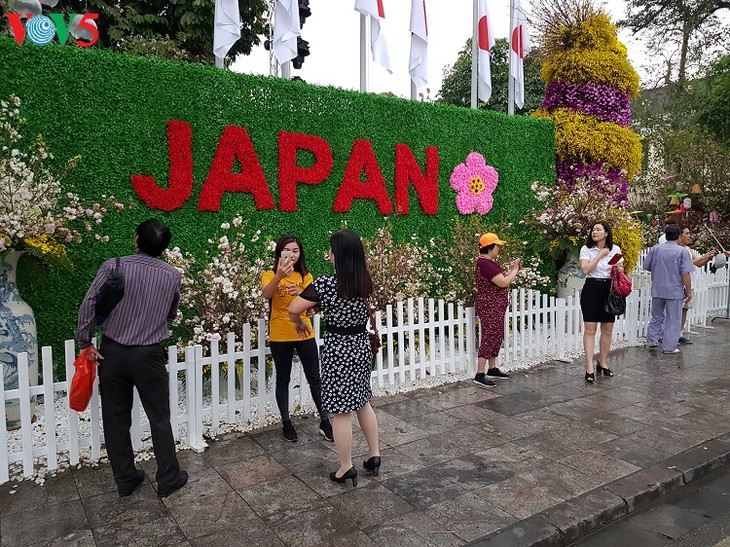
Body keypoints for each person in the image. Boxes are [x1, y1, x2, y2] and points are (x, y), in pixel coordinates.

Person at [75, 219, 187, 498]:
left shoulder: (114, 266)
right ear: (164, 248)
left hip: (112, 352)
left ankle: (126, 478)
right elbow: (171, 313)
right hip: (149, 355)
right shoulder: (172, 275)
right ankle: (168, 478)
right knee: (159, 417)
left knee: (115, 417)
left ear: (137, 239)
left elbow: (90, 301)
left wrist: (85, 341)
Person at [288, 230, 379, 487]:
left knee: (340, 412)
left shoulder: (325, 284)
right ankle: (374, 455)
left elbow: (294, 308)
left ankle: (345, 467)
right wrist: (320, 307)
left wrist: (299, 322)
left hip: (338, 348)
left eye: (331, 249)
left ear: (336, 254)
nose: (328, 253)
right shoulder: (364, 282)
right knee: (363, 402)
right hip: (361, 346)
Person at [261, 235, 332, 443]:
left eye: (295, 251)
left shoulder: (305, 276)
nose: (291, 255)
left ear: (300, 254)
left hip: (304, 332)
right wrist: (279, 277)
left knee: (314, 377)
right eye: (287, 250)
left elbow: (312, 304)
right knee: (283, 379)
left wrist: (299, 292)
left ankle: (325, 420)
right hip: (280, 333)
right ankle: (286, 422)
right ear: (279, 253)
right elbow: (266, 294)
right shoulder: (270, 273)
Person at [473, 233, 521, 387]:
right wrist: (514, 270)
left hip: (495, 307)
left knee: (496, 335)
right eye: (497, 246)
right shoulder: (485, 264)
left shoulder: (489, 263)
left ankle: (492, 368)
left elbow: (500, 278)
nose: (498, 249)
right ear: (490, 247)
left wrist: (511, 271)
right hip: (490, 307)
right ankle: (480, 373)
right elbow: (503, 282)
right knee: (489, 336)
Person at [579, 222, 624, 383]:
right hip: (592, 288)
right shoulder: (586, 250)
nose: (594, 232)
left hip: (609, 289)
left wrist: (618, 268)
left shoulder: (616, 249)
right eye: (593, 230)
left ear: (606, 233)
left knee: (608, 328)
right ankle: (589, 366)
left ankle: (602, 361)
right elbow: (585, 270)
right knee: (590, 329)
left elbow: (620, 269)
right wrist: (600, 255)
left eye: (598, 229)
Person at [643, 224, 694, 354]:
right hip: (675, 289)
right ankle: (669, 347)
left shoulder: (655, 249)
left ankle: (653, 340)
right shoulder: (682, 251)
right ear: (679, 236)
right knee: (673, 318)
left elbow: (647, 266)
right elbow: (685, 273)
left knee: (656, 316)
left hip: (658, 288)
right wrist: (689, 290)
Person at [677, 227, 717, 344]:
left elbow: (698, 263)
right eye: (687, 233)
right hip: (679, 284)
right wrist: (705, 256)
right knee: (675, 310)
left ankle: (680, 333)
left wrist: (708, 257)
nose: (689, 236)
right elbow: (686, 263)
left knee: (684, 310)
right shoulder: (677, 250)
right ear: (680, 235)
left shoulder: (688, 249)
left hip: (690, 283)